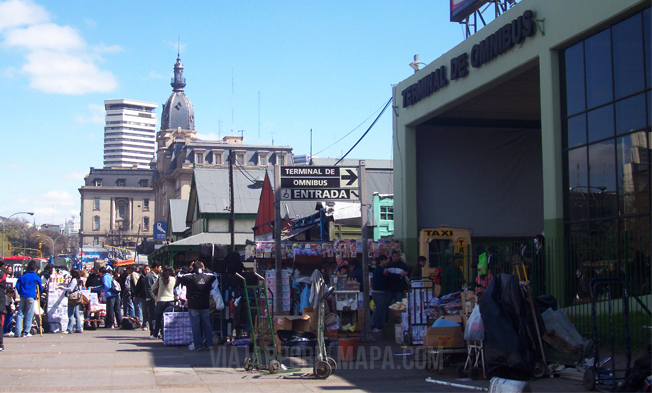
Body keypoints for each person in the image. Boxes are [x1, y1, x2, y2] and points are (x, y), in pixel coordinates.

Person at [176, 261, 217, 351]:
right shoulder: (208, 276)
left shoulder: (190, 277)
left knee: (195, 326)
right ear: (202, 267)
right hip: (205, 304)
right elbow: (214, 274)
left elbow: (179, 276)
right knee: (207, 324)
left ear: (193, 267)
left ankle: (198, 345)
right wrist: (205, 268)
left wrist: (188, 269)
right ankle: (209, 344)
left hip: (193, 305)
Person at [14, 260, 43, 337]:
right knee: (29, 314)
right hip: (31, 296)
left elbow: (17, 285)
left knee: (20, 313)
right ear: (35, 269)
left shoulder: (22, 277)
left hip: (23, 296)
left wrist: (20, 292)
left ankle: (17, 331)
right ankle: (25, 332)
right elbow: (41, 288)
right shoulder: (36, 277)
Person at [150, 266, 176, 340]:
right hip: (170, 300)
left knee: (158, 319)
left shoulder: (160, 279)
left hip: (161, 300)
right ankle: (167, 334)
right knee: (169, 319)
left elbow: (152, 288)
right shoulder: (174, 279)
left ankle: (155, 334)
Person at [370, 254, 391, 333]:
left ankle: (378, 325)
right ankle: (373, 325)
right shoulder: (381, 269)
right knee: (379, 309)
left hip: (377, 291)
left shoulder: (377, 269)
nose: (387, 262)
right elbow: (389, 275)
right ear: (381, 261)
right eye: (385, 260)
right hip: (378, 292)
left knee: (380, 309)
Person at [62, 268, 83, 334]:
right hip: (78, 297)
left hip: (73, 297)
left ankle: (69, 329)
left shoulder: (74, 280)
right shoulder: (79, 280)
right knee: (76, 313)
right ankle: (79, 328)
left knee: (70, 313)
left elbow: (71, 289)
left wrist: (63, 288)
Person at [144, 263, 160, 332]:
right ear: (156, 267)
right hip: (151, 299)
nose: (160, 269)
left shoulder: (158, 275)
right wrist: (154, 298)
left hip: (157, 298)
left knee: (157, 315)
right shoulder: (149, 276)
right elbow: (149, 289)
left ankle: (156, 331)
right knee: (152, 315)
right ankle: (153, 331)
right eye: (160, 267)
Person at [135, 265, 151, 330]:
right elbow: (137, 287)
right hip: (143, 296)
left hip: (150, 296)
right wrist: (135, 295)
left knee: (150, 311)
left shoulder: (152, 277)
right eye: (145, 270)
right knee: (144, 311)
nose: (146, 271)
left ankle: (150, 324)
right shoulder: (142, 277)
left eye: (148, 269)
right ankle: (145, 324)